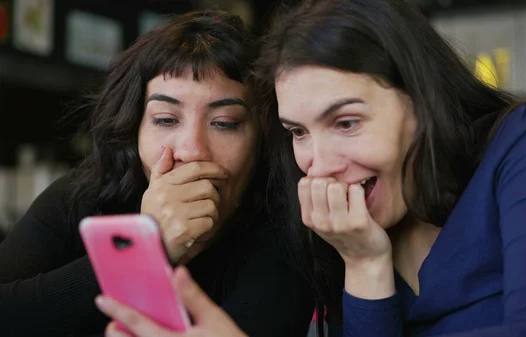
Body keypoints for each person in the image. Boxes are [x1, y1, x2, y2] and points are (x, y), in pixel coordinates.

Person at [249, 0, 526, 336]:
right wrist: (364, 265)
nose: (320, 167)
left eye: (346, 123)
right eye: (298, 131)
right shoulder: (342, 236)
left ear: (420, 100)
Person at [0, 10, 314, 337]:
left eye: (225, 124)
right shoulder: (82, 195)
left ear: (262, 141)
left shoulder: (286, 235)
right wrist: (141, 250)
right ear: (133, 130)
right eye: (165, 120)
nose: (192, 150)